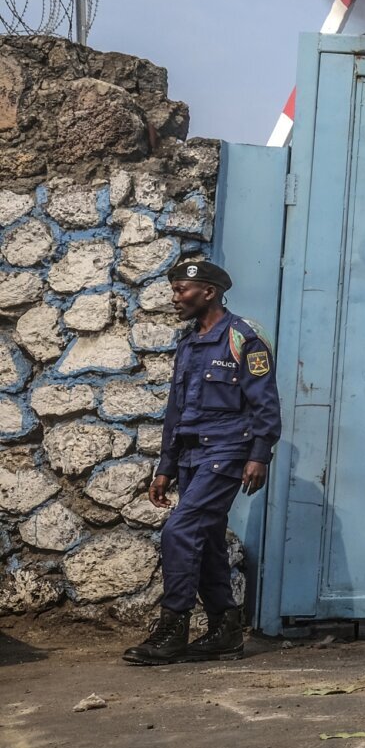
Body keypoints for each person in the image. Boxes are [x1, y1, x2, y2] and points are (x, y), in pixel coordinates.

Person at [122, 260, 282, 666]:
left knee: (180, 530)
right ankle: (226, 630)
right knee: (207, 539)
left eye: (182, 291)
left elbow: (265, 403)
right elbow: (176, 411)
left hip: (228, 451)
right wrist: (166, 467)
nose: (175, 299)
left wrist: (259, 454)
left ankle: (173, 628)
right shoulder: (190, 343)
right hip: (192, 454)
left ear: (208, 291)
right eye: (174, 290)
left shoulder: (243, 338)